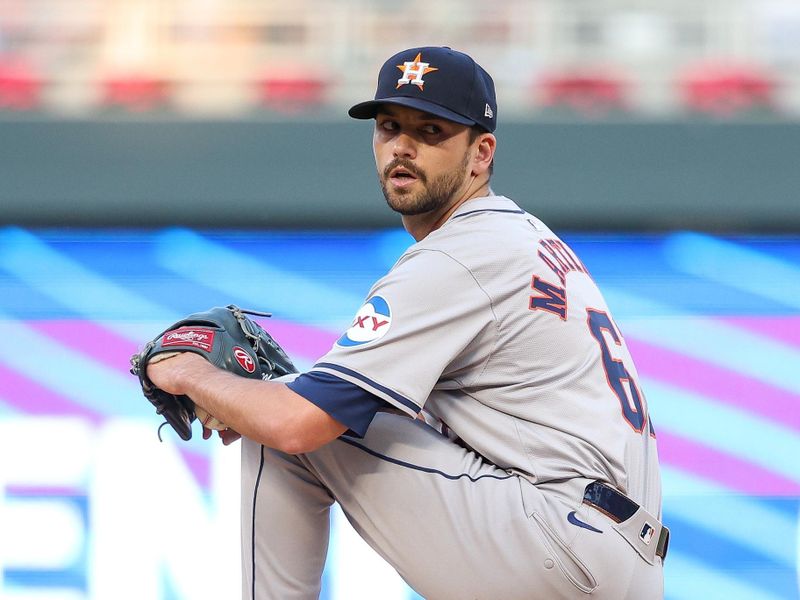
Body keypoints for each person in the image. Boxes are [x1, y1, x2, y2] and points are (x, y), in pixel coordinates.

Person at [147, 46, 667, 600]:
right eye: (390, 126)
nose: (403, 146)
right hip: (613, 556)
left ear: (481, 153)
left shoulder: (456, 256)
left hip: (558, 543)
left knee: (277, 427)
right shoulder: (521, 235)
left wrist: (187, 374)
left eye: (431, 130)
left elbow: (297, 425)